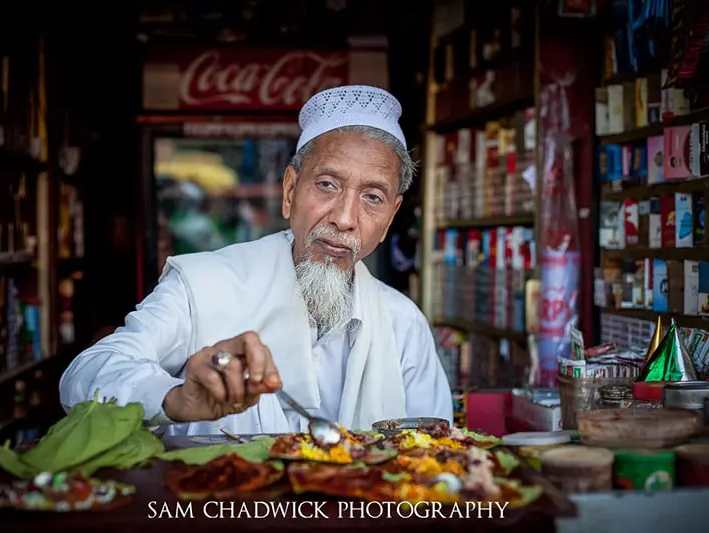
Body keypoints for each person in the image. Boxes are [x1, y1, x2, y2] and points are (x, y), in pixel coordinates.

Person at [59, 85, 453, 436]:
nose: (345, 219)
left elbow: (436, 453)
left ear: (389, 219)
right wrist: (174, 398)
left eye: (372, 197)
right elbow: (83, 377)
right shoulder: (203, 286)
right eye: (327, 185)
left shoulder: (403, 324)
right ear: (289, 190)